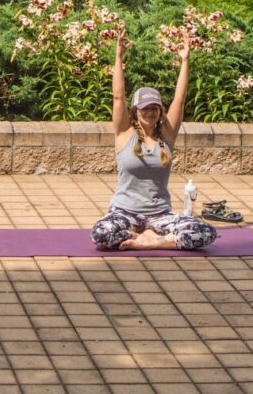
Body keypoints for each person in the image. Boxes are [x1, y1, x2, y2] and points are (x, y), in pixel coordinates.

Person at [90, 38, 218, 252]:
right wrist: (118, 56)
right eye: (144, 108)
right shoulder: (124, 134)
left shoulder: (166, 135)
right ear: (135, 111)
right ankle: (146, 237)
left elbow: (180, 99)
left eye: (154, 108)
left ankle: (153, 241)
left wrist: (185, 61)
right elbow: (118, 97)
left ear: (160, 111)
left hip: (161, 215)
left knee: (205, 233)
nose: (149, 112)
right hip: (125, 213)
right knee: (101, 233)